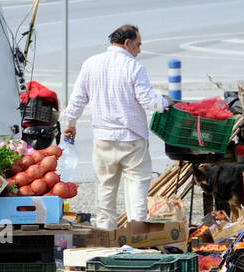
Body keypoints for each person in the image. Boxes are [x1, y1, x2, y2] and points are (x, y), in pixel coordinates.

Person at [61, 25, 172, 231]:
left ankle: (105, 232)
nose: (139, 50)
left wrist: (70, 124)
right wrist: (166, 101)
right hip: (132, 138)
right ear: (127, 43)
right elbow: (149, 101)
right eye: (138, 45)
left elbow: (77, 100)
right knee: (137, 186)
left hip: (103, 138)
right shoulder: (134, 67)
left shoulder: (90, 64)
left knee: (105, 187)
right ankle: (136, 231)